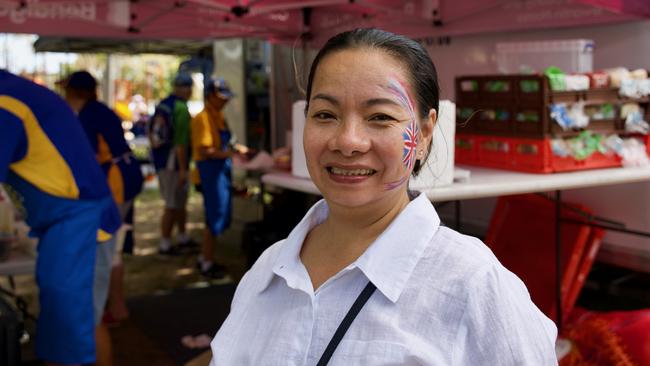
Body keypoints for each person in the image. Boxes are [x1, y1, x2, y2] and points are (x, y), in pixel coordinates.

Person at [209, 29, 558, 365]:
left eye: (380, 116)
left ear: (423, 133)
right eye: (325, 115)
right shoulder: (268, 271)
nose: (348, 141)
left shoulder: (472, 285)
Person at [0, 69, 121, 365]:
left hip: (81, 223)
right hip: (65, 226)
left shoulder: (7, 102)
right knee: (61, 327)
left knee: (76, 329)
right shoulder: (14, 93)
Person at [62, 71, 144, 326]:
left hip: (115, 182)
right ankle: (116, 306)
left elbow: (87, 158)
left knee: (109, 246)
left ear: (77, 92)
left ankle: (114, 308)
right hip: (126, 176)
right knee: (114, 245)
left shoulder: (88, 115)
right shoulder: (100, 110)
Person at [191, 78, 245, 279]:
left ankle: (205, 257)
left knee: (217, 216)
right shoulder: (202, 119)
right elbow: (206, 151)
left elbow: (228, 142)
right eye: (222, 98)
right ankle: (206, 263)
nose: (225, 102)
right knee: (213, 218)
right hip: (209, 174)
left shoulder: (219, 117)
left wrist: (240, 150)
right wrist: (232, 155)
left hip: (220, 172)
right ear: (210, 96)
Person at [149, 73, 196, 254]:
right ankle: (165, 244)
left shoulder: (165, 103)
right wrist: (183, 169)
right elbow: (180, 144)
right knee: (171, 203)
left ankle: (182, 237)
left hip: (164, 162)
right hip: (173, 164)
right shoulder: (180, 108)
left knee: (178, 202)